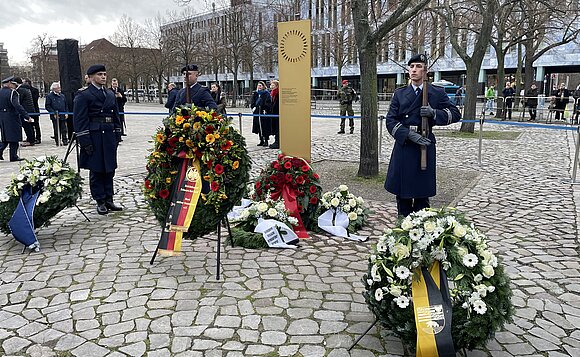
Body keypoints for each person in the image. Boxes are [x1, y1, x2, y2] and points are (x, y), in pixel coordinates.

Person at [384, 54, 461, 217]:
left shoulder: (436, 92)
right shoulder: (400, 93)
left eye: (418, 66)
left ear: (426, 71)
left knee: (421, 194)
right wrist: (408, 135)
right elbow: (390, 120)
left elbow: (455, 113)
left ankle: (421, 227)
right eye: (411, 67)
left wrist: (434, 113)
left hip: (424, 145)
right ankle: (402, 225)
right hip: (405, 145)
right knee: (403, 194)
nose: (414, 70)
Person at [73, 64, 123, 215]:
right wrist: (85, 141)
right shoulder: (84, 95)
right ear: (92, 76)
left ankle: (109, 198)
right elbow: (80, 120)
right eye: (100, 74)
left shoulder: (109, 94)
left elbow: (115, 115)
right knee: (97, 169)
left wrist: (117, 134)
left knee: (109, 168)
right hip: (94, 135)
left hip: (108, 134)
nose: (103, 77)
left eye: (104, 74)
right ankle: (100, 200)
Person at [0, 76, 31, 161]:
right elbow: (17, 105)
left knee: (5, 137)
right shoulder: (12, 93)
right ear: (10, 83)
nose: (15, 86)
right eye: (14, 84)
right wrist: (26, 116)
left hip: (2, 116)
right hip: (11, 116)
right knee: (14, 137)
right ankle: (13, 156)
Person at [13, 77, 36, 146]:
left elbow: (18, 101)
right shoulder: (25, 88)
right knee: (29, 126)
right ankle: (30, 139)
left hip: (26, 111)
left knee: (27, 126)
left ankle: (31, 140)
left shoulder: (21, 90)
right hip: (29, 110)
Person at [251, 81, 272, 147]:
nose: (259, 87)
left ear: (263, 86)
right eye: (258, 85)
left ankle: (266, 140)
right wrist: (253, 107)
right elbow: (253, 101)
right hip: (257, 112)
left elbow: (268, 102)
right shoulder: (255, 93)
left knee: (264, 126)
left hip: (263, 112)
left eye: (260, 85)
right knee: (258, 127)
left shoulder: (266, 93)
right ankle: (261, 140)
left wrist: (265, 109)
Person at [23, 78, 41, 144]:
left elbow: (34, 100)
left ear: (27, 82)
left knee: (36, 124)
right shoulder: (24, 90)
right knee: (28, 125)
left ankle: (38, 138)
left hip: (34, 110)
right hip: (27, 111)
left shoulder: (35, 90)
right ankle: (30, 137)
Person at [268, 80, 280, 149]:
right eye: (271, 85)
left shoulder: (278, 93)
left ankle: (278, 142)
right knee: (276, 128)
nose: (271, 86)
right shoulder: (273, 93)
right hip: (274, 114)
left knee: (278, 128)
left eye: (273, 85)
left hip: (277, 114)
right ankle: (277, 141)